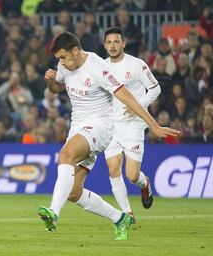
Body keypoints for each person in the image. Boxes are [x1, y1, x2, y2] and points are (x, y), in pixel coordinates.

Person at [38, 32, 180, 240]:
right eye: (58, 58)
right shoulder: (65, 65)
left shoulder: (97, 68)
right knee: (74, 192)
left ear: (76, 51)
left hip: (100, 127)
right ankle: (119, 218)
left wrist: (154, 125)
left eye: (63, 57)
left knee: (65, 155)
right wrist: (49, 81)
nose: (61, 62)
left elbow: (128, 98)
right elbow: (56, 88)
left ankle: (53, 213)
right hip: (77, 127)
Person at [103, 27, 161, 222]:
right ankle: (127, 213)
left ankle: (145, 185)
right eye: (109, 42)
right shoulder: (102, 67)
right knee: (113, 169)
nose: (113, 46)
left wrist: (137, 106)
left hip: (133, 124)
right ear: (105, 45)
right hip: (111, 125)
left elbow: (155, 89)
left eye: (116, 42)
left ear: (123, 43)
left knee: (132, 175)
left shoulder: (137, 65)